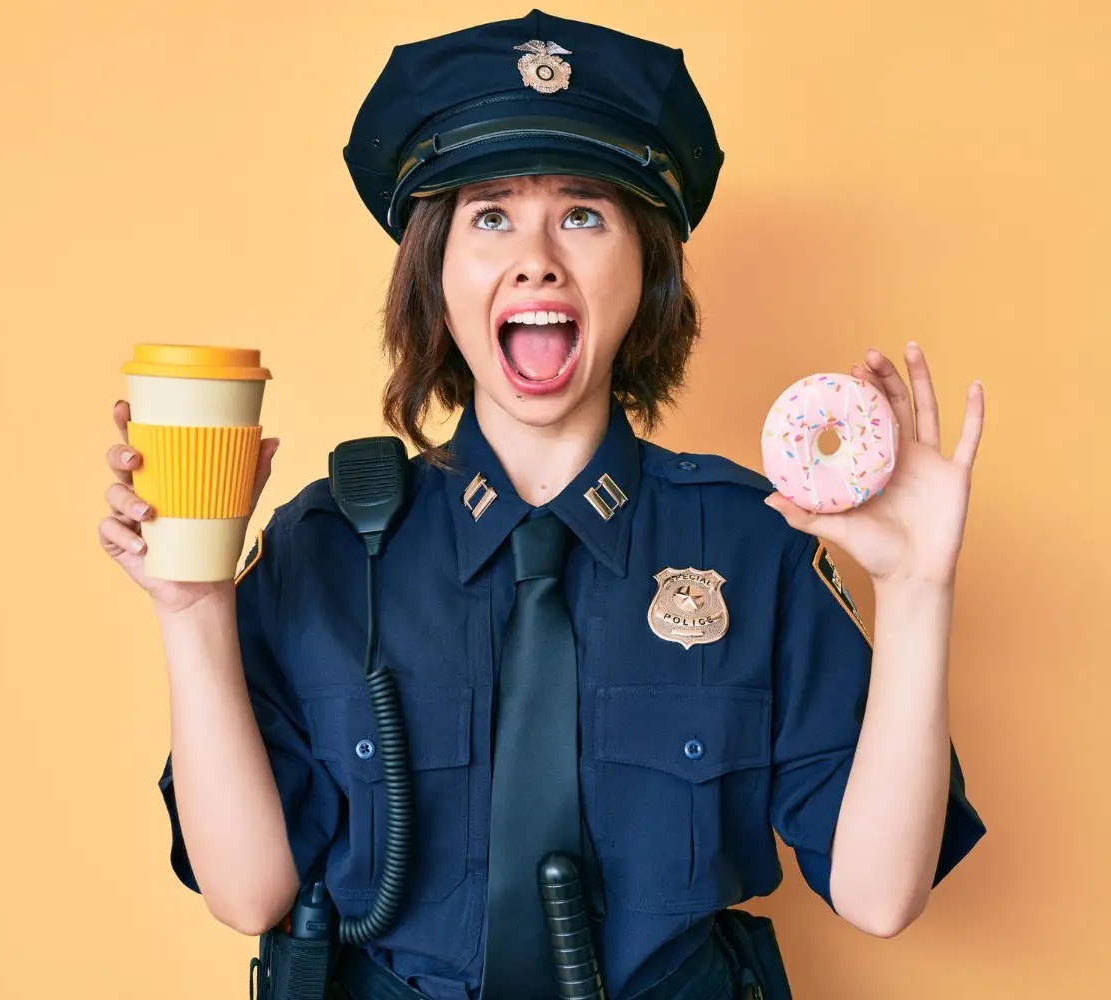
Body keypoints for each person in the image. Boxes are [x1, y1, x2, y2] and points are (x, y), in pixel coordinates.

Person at [98, 9, 988, 999]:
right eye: (489, 216)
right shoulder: (324, 546)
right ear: (435, 278)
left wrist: (916, 590)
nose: (537, 258)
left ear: (645, 265)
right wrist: (192, 611)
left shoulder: (752, 540)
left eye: (582, 214)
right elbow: (250, 894)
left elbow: (878, 893)